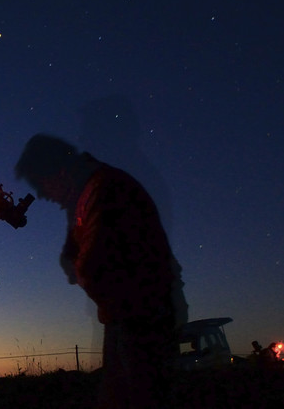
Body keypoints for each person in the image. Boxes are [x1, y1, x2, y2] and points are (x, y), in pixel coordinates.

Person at [15, 133, 188, 409]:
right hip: (126, 318)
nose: (42, 195)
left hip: (143, 320)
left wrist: (80, 267)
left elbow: (94, 266)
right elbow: (73, 255)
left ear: (59, 171)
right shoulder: (89, 194)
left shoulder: (106, 189)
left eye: (41, 184)